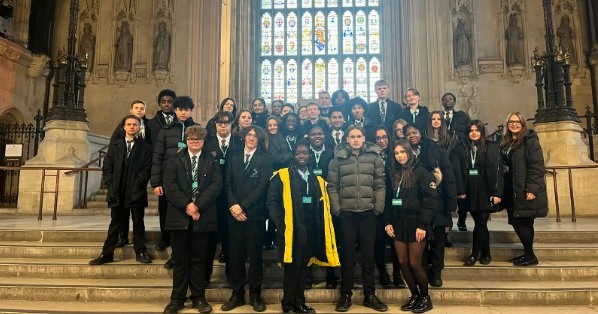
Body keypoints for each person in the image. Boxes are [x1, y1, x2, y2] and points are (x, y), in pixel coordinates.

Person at [267, 141, 340, 314]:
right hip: (292, 230)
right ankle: (288, 303)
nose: (302, 156)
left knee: (304, 268)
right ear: (293, 155)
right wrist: (281, 222)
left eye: (305, 153)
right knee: (292, 268)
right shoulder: (283, 175)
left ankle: (299, 302)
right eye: (299, 153)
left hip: (311, 230)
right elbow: (272, 202)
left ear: (309, 155)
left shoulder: (316, 178)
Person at [327, 125, 388, 312]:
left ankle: (370, 295)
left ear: (364, 138)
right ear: (347, 139)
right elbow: (332, 186)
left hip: (368, 214)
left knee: (368, 256)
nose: (355, 139)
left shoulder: (375, 157)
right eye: (352, 136)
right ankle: (346, 295)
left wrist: (378, 207)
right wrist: (337, 209)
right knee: (347, 256)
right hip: (346, 214)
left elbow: (380, 184)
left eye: (358, 136)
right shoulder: (337, 160)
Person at [161, 125, 222, 314]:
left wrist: (198, 206)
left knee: (199, 260)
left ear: (203, 141)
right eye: (191, 139)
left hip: (203, 216)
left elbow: (216, 185)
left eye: (198, 139)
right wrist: (188, 205)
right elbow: (169, 185)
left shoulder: (211, 160)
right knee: (179, 260)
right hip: (179, 217)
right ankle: (177, 299)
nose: (195, 142)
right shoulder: (174, 159)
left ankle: (198, 297)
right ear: (186, 140)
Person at [222, 126, 272, 312]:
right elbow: (226, 183)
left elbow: (262, 185)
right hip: (234, 214)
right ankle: (237, 294)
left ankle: (255, 295)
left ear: (260, 139)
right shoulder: (233, 156)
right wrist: (234, 206)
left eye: (255, 136)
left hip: (254, 214)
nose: (251, 138)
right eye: (249, 135)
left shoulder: (265, 158)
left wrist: (243, 206)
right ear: (243, 137)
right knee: (235, 255)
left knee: (255, 256)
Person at [89, 115, 152, 266]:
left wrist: (138, 184)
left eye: (134, 124)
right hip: (118, 190)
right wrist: (110, 183)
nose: (131, 127)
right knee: (115, 223)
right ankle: (107, 253)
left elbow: (146, 169)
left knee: (138, 222)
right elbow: (107, 166)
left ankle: (141, 251)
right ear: (124, 127)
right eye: (129, 124)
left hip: (136, 190)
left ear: (139, 127)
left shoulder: (146, 147)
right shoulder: (116, 146)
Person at [384, 140, 437, 313]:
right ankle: (414, 295)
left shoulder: (423, 171)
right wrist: (388, 222)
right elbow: (389, 201)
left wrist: (422, 225)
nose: (399, 156)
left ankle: (425, 297)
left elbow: (430, 201)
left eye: (402, 152)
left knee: (415, 263)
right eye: (396, 153)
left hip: (417, 224)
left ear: (409, 152)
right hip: (398, 223)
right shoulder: (394, 172)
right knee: (402, 262)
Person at [404, 123, 457, 288]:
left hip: (439, 202)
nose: (412, 135)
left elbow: (448, 175)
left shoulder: (436, 150)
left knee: (438, 241)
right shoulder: (404, 153)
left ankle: (437, 272)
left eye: (415, 132)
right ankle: (425, 271)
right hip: (418, 205)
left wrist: (451, 204)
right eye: (408, 134)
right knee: (422, 240)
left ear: (421, 133)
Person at [151, 96, 199, 269]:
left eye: (186, 109)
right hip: (169, 181)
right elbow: (157, 156)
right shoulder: (165, 130)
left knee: (189, 216)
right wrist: (156, 182)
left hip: (191, 182)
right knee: (169, 216)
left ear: (191, 111)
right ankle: (171, 248)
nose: (183, 112)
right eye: (180, 109)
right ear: (175, 110)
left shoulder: (197, 130)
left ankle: (188, 252)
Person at [499, 112, 548, 266]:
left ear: (523, 124)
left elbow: (536, 166)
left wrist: (532, 189)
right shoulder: (506, 142)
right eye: (511, 122)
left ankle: (530, 255)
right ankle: (527, 253)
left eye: (517, 122)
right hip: (511, 189)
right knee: (515, 221)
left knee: (524, 222)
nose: (514, 124)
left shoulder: (530, 141)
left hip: (523, 189)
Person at [203, 111, 242, 275]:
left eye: (226, 123)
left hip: (233, 195)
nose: (223, 126)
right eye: (220, 123)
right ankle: (205, 276)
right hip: (213, 197)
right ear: (215, 125)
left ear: (231, 124)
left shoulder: (239, 142)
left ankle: (231, 274)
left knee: (231, 236)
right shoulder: (207, 143)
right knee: (211, 237)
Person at [108, 99, 152, 248]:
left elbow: (147, 165)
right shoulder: (117, 143)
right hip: (120, 181)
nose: (139, 110)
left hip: (138, 170)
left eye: (142, 108)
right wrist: (110, 182)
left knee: (138, 218)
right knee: (119, 217)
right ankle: (120, 238)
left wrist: (140, 182)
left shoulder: (149, 126)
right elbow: (109, 163)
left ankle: (140, 248)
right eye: (136, 108)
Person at [462, 120, 503, 267]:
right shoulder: (465, 148)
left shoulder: (491, 147)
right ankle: (486, 254)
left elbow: (498, 171)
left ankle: (474, 254)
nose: (474, 133)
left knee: (481, 222)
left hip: (485, 190)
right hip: (470, 191)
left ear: (482, 132)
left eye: (477, 130)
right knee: (481, 223)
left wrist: (496, 192)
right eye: (471, 130)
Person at [372, 127, 404, 289]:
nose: (381, 141)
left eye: (384, 137)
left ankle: (398, 274)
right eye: (378, 138)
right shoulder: (370, 156)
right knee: (378, 241)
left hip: (394, 204)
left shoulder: (396, 156)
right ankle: (383, 273)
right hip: (376, 203)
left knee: (395, 240)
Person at [148, 89, 176, 254]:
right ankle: (165, 238)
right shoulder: (152, 123)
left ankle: (176, 237)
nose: (166, 104)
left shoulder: (185, 121)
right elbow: (154, 152)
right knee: (164, 207)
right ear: (159, 103)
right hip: (163, 171)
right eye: (163, 101)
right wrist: (155, 180)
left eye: (170, 101)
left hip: (180, 171)